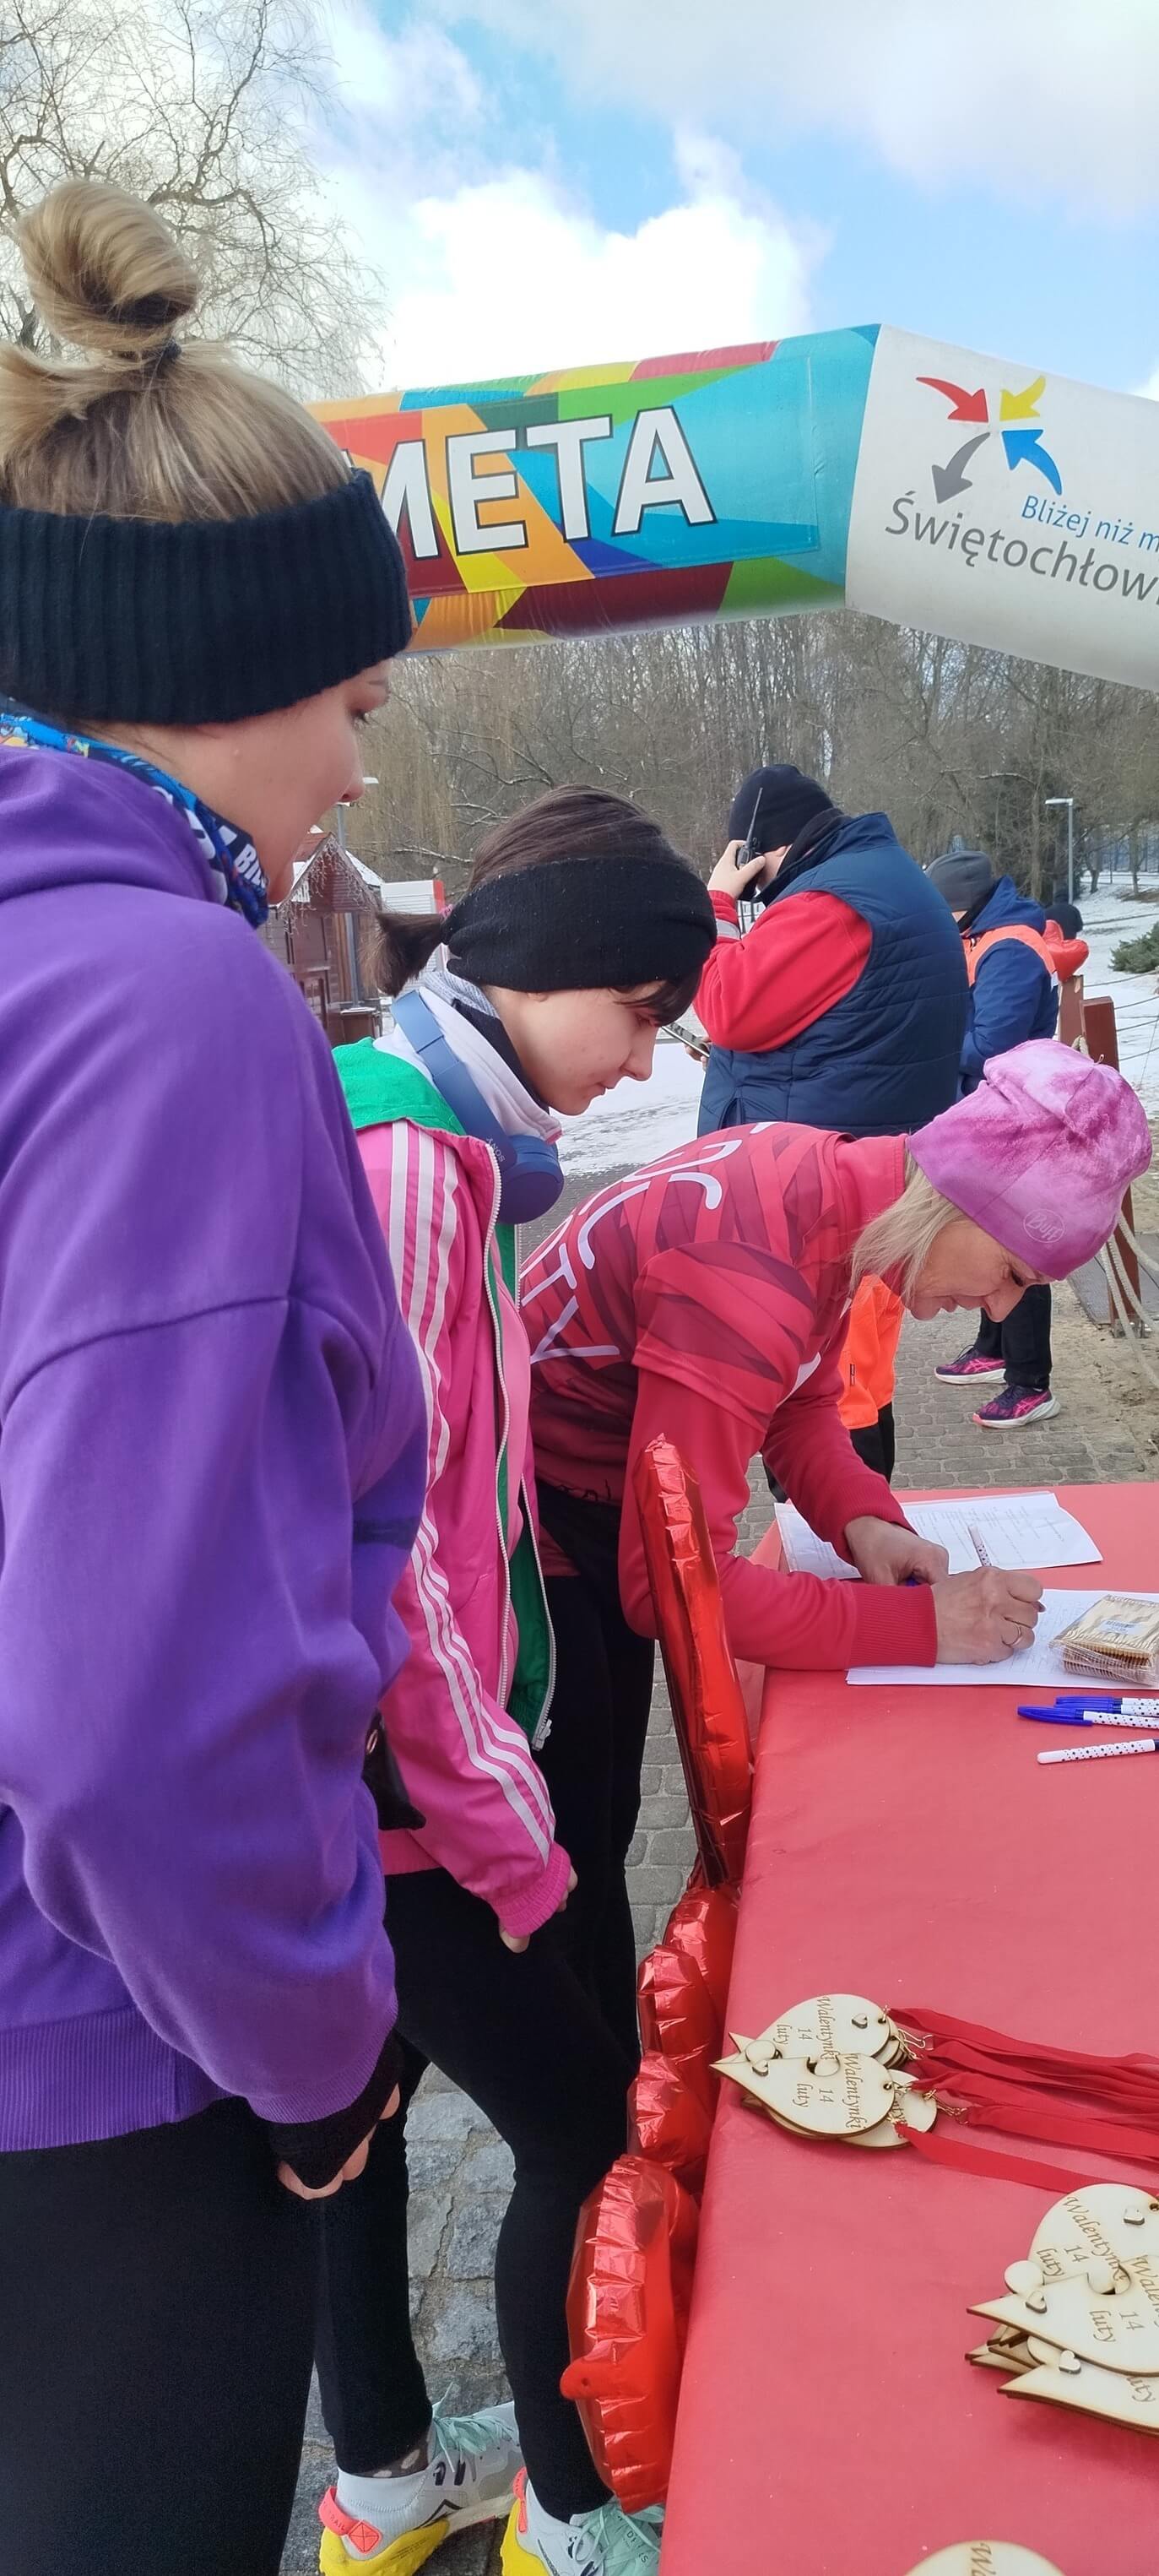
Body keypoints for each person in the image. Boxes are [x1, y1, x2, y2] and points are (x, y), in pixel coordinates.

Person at [0, 184, 425, 2575]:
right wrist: (314, 2037)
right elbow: (124, 1714)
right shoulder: (173, 1008)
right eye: (357, 704)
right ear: (230, 666)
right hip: (103, 2072)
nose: (363, 774)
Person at [314, 789, 716, 2576]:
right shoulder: (409, 1158)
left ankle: (386, 2484)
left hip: (381, 1789)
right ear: (555, 976)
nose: (641, 1063)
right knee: (572, 2124)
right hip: (406, 1798)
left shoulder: (421, 1128)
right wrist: (508, 1823)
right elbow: (388, 1545)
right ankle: (569, 2508)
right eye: (640, 1013)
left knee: (366, 2118)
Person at [523, 1040, 1151, 2053]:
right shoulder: (750, 1269)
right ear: (957, 1203)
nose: (996, 1310)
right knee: (577, 1843)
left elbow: (798, 1399)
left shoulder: (826, 1179)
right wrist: (915, 1626)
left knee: (598, 1820)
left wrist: (866, 1522)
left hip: (593, 1490)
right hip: (542, 1534)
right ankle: (586, 2115)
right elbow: (673, 1593)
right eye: (1008, 1273)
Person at [696, 764, 969, 1482]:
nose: (763, 899)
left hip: (819, 1195)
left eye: (758, 883)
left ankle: (847, 1562)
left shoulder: (828, 904)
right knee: (857, 1381)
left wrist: (718, 904)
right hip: (873, 1172)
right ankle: (863, 1546)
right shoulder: (890, 880)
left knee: (826, 1395)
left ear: (765, 851)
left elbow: (726, 1004)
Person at [926, 849, 1059, 1427]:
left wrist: (925, 1048)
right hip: (989, 1111)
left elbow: (990, 1045)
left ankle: (1030, 1381)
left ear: (962, 906)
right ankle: (993, 1346)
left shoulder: (1006, 947)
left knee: (1017, 1246)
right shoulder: (983, 937)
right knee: (988, 1236)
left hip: (1014, 1117)